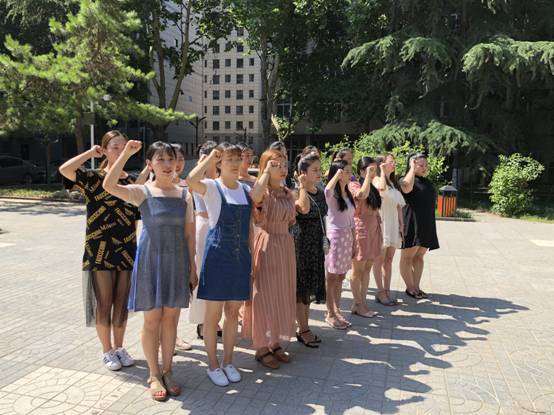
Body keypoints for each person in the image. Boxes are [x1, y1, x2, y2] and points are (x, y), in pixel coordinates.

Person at [103, 140, 197, 401]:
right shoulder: (143, 191)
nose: (167, 165)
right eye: (160, 159)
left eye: (171, 159)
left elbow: (189, 235)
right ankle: (154, 373)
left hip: (176, 263)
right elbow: (109, 185)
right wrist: (125, 154)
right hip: (150, 262)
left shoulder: (185, 195)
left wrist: (192, 268)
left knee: (171, 320)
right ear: (150, 164)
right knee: (152, 320)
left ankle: (168, 370)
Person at [58, 130, 148, 372]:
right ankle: (107, 351)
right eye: (115, 147)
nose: (120, 150)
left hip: (126, 247)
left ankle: (119, 347)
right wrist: (90, 153)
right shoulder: (93, 178)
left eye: (123, 146)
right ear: (105, 150)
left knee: (121, 302)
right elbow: (65, 170)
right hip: (99, 247)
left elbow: (135, 217)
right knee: (104, 302)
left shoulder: (131, 181)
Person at [186, 142, 252, 387]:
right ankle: (212, 365)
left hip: (240, 258)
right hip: (216, 257)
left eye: (237, 159)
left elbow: (250, 227)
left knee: (233, 313)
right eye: (228, 159)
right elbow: (190, 180)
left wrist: (252, 260)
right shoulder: (212, 186)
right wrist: (210, 158)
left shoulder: (245, 189)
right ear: (219, 163)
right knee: (212, 316)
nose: (234, 163)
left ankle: (228, 361)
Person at [244, 149, 297, 369]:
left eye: (284, 164)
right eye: (276, 165)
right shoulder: (262, 191)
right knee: (263, 295)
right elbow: (254, 198)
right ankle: (261, 346)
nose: (282, 169)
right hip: (266, 242)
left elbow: (292, 219)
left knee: (281, 292)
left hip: (284, 244)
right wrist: (265, 172)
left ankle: (275, 341)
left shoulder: (287, 192)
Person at [187, 141, 222, 340]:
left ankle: (214, 318)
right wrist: (204, 162)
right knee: (202, 272)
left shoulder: (220, 176)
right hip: (203, 225)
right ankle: (202, 322)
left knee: (217, 275)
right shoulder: (197, 176)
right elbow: (192, 183)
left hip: (219, 226)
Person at [292, 153, 326, 347]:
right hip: (301, 245)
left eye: (319, 169)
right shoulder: (296, 192)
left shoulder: (320, 191)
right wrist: (302, 186)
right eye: (314, 170)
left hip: (316, 245)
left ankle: (305, 326)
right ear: (302, 173)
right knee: (301, 290)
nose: (319, 173)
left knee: (310, 289)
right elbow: (302, 209)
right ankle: (303, 329)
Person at [399, 154, 439, 299]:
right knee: (407, 257)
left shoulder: (426, 181)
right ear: (412, 164)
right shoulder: (404, 180)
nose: (424, 168)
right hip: (411, 223)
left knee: (419, 257)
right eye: (420, 165)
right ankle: (410, 288)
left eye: (425, 165)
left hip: (426, 223)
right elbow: (406, 189)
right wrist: (411, 168)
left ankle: (416, 287)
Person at [348, 157, 383, 318]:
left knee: (368, 267)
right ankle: (357, 303)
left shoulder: (373, 186)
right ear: (361, 170)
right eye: (370, 169)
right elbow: (361, 195)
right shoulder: (354, 184)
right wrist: (368, 177)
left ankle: (362, 303)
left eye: (374, 169)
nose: (373, 172)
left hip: (373, 229)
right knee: (358, 268)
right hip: (361, 229)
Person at [324, 160, 355, 330]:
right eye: (346, 171)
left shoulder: (347, 193)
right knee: (331, 277)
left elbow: (352, 220)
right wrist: (336, 175)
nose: (350, 174)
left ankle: (337, 310)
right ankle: (330, 313)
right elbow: (327, 191)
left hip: (347, 237)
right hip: (335, 237)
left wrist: (354, 242)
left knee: (341, 277)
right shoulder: (332, 195)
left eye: (350, 171)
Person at [372, 154, 405, 306]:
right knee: (379, 260)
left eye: (394, 162)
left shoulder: (393, 182)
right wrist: (381, 171)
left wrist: (401, 224)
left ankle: (387, 291)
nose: (394, 164)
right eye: (391, 162)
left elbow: (398, 206)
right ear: (382, 164)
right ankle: (380, 292)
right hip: (382, 223)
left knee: (389, 260)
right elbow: (381, 188)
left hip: (393, 224)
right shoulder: (377, 179)